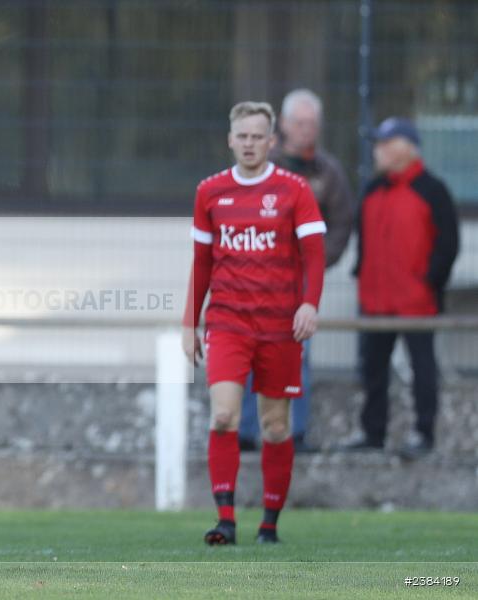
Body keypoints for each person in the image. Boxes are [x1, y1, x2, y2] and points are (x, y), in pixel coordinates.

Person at [182, 101, 326, 545]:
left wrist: (309, 304)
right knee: (223, 415)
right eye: (241, 136)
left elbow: (315, 255)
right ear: (230, 140)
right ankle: (225, 521)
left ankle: (269, 525)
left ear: (271, 141)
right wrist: (190, 322)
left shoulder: (293, 190)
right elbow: (202, 262)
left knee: (275, 427)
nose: (249, 144)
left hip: (279, 325)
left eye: (257, 136)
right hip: (227, 322)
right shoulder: (210, 191)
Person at [238, 89, 354, 452]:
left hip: (298, 286)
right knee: (251, 354)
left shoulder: (328, 172)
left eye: (311, 123)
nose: (305, 129)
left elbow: (340, 224)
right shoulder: (259, 166)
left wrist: (315, 265)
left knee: (296, 355)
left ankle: (294, 432)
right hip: (256, 280)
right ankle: (245, 430)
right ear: (284, 126)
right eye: (299, 122)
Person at [342, 117, 459, 458]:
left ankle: (424, 433)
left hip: (416, 301)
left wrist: (429, 281)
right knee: (372, 369)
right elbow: (364, 241)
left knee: (423, 368)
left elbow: (447, 245)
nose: (377, 150)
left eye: (384, 143)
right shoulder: (372, 190)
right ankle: (372, 433)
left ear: (405, 148)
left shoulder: (432, 190)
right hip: (375, 299)